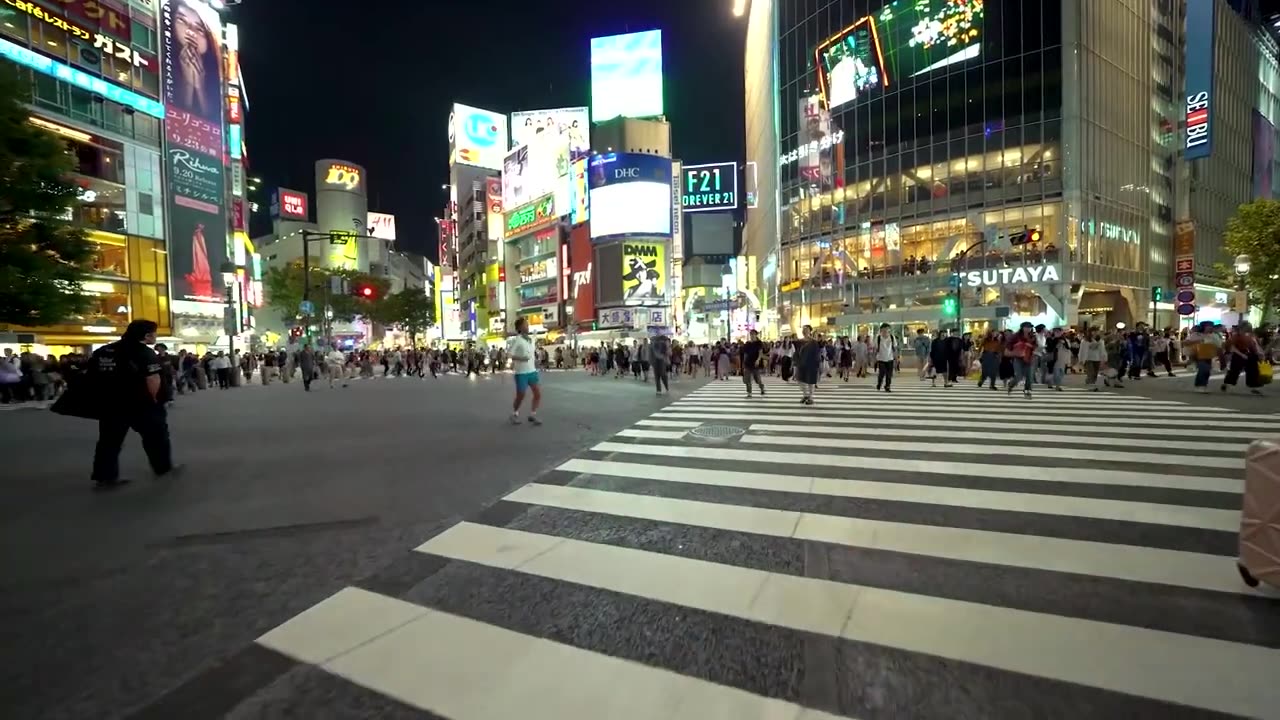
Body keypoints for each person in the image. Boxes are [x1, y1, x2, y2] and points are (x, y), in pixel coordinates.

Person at [86, 320, 179, 491]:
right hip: (141, 404)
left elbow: (91, 375)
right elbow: (152, 379)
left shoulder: (104, 351)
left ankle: (105, 477)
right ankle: (162, 467)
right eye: (154, 333)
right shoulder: (144, 352)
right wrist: (154, 400)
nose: (155, 336)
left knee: (109, 441)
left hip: (111, 404)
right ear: (146, 336)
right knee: (156, 437)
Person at [507, 317, 542, 425]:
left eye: (527, 324)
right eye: (526, 324)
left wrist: (535, 361)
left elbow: (531, 353)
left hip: (532, 371)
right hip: (521, 372)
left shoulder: (530, 339)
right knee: (521, 395)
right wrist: (521, 358)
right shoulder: (517, 340)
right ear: (520, 327)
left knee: (537, 394)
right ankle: (514, 414)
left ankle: (533, 414)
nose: (528, 326)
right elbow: (509, 354)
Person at [795, 326, 822, 405]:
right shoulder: (799, 342)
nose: (804, 331)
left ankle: (810, 397)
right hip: (801, 364)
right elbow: (796, 353)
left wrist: (817, 364)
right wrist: (796, 362)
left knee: (811, 381)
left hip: (811, 364)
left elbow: (817, 354)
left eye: (806, 330)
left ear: (810, 331)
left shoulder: (814, 342)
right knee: (799, 380)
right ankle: (805, 395)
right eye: (803, 330)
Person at [873, 323, 899, 391]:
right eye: (884, 330)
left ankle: (887, 386)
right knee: (882, 373)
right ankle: (879, 382)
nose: (886, 331)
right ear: (881, 330)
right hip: (881, 358)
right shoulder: (878, 338)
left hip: (890, 358)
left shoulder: (892, 337)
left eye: (887, 330)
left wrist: (896, 358)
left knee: (889, 374)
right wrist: (874, 359)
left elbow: (895, 348)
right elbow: (875, 349)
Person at [741, 329, 766, 397]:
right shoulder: (747, 344)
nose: (752, 335)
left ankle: (762, 388)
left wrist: (758, 360)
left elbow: (760, 353)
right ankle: (749, 392)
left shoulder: (759, 343)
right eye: (751, 334)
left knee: (757, 379)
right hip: (748, 363)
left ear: (756, 335)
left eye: (753, 334)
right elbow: (745, 354)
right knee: (747, 379)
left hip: (755, 363)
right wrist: (744, 362)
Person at [650, 331, 672, 395]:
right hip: (660, 360)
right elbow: (669, 353)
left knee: (659, 375)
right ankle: (663, 388)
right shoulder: (661, 343)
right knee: (661, 375)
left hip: (659, 360)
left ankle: (660, 389)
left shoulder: (657, 343)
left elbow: (668, 352)